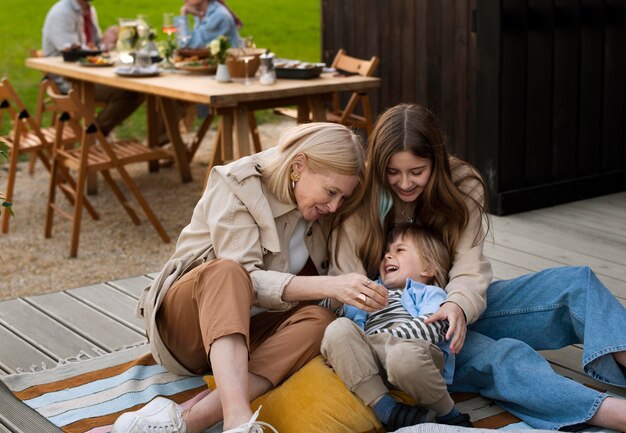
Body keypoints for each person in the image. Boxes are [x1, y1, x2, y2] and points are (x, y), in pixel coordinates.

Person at [349, 103, 626, 431]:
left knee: (577, 282)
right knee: (502, 357)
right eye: (393, 173)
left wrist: (457, 305)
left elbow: (469, 265)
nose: (405, 183)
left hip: (460, 302)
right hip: (410, 333)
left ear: (436, 164)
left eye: (417, 171)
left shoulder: (462, 184)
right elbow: (345, 276)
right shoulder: (361, 195)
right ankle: (610, 414)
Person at [111, 122, 389, 433]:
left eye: (343, 196)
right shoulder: (237, 184)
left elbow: (345, 268)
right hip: (185, 332)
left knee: (321, 319)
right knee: (229, 272)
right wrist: (331, 284)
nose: (335, 205)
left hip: (252, 335)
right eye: (331, 192)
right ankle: (237, 419)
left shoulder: (328, 207)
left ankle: (188, 423)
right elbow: (249, 280)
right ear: (298, 167)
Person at [321, 224, 473, 431]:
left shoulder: (430, 293)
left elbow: (434, 326)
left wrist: (385, 338)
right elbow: (328, 313)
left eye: (399, 250)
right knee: (338, 328)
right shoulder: (368, 289)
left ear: (427, 268)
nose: (387, 256)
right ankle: (387, 409)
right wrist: (337, 297)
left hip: (413, 357)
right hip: (369, 361)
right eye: (385, 252)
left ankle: (449, 415)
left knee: (401, 354)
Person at [42, 0, 144, 136]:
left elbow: (92, 46)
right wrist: (103, 46)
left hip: (87, 76)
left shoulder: (88, 9)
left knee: (137, 87)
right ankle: (95, 135)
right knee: (128, 91)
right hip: (70, 81)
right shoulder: (62, 14)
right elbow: (73, 53)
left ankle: (96, 134)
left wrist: (107, 42)